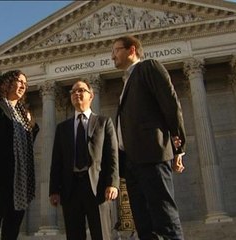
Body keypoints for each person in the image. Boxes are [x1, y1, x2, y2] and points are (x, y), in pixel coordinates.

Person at [112, 35, 186, 240]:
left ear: (132, 50)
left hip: (152, 154)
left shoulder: (149, 67)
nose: (112, 56)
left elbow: (171, 104)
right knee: (145, 225)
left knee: (164, 218)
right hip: (132, 162)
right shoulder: (127, 81)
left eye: (116, 50)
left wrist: (178, 147)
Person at [49, 80, 119, 240]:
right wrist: (54, 189)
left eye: (81, 90)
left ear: (91, 95)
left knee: (101, 234)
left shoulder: (103, 122)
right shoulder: (62, 128)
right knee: (74, 235)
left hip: (98, 187)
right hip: (70, 188)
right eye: (73, 92)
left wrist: (112, 183)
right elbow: (57, 161)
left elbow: (112, 155)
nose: (76, 94)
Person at [0, 70, 39, 240]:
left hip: (20, 183)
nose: (23, 86)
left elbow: (28, 146)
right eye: (19, 81)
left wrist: (30, 122)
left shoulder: (23, 115)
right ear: (7, 83)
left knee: (12, 231)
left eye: (25, 84)